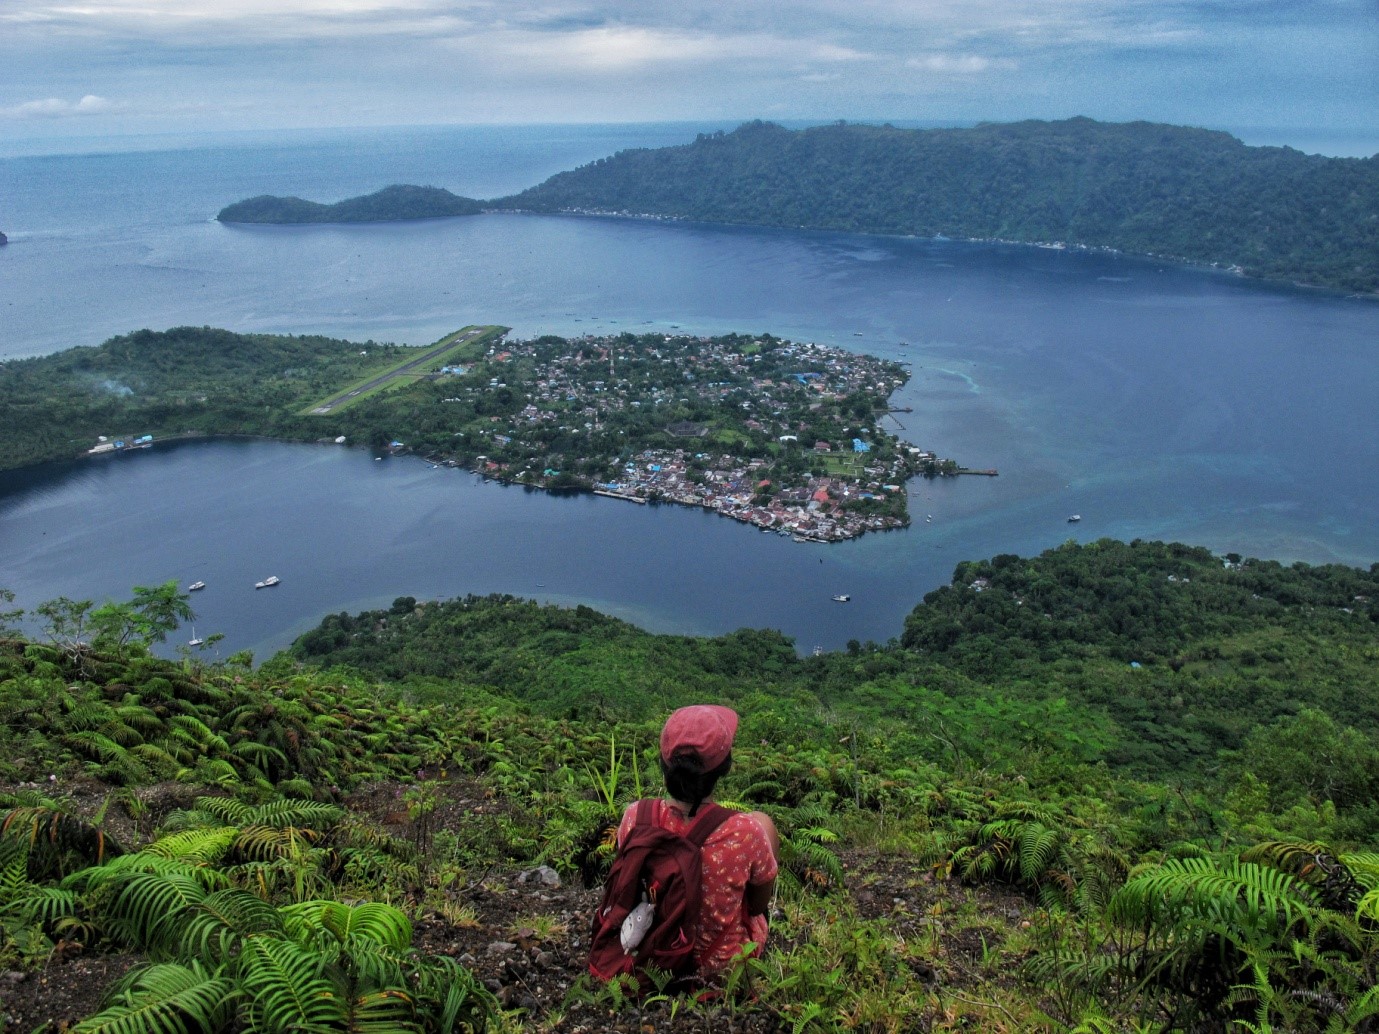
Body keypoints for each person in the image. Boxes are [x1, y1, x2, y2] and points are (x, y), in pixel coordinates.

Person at [615, 704, 781, 975]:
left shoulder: (636, 818)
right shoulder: (744, 832)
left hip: (651, 962)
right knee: (765, 824)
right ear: (724, 768)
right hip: (721, 966)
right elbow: (758, 905)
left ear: (664, 763)